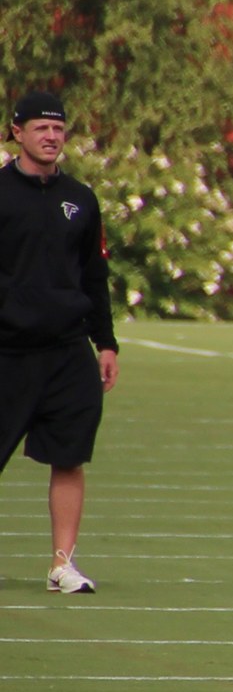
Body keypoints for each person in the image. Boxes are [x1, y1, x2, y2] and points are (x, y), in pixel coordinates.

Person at [0, 89, 118, 594]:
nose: (51, 136)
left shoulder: (81, 199)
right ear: (16, 132)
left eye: (58, 128)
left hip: (68, 350)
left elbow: (94, 275)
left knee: (69, 456)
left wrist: (106, 343)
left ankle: (61, 565)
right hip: (7, 351)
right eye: (41, 128)